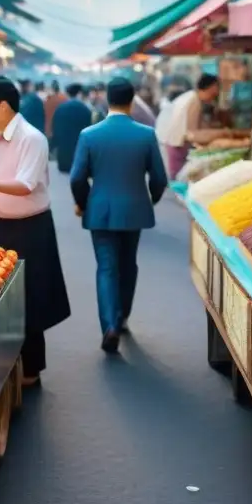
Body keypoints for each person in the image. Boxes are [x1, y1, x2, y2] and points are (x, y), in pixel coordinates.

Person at [0, 77, 71, 387]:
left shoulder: (31, 138)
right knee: (11, 296)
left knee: (32, 296)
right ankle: (18, 360)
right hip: (6, 225)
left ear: (3, 106)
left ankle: (33, 370)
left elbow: (26, 185)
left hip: (32, 226)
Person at [71, 78, 167, 353]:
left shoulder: (89, 135)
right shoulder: (146, 134)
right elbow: (159, 178)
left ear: (106, 99)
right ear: (132, 99)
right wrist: (151, 198)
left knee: (106, 267)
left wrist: (83, 203)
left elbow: (77, 178)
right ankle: (122, 316)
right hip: (134, 210)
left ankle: (110, 325)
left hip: (100, 211)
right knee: (128, 264)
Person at [156, 73, 220, 179]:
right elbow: (192, 133)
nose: (217, 92)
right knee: (180, 179)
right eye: (216, 88)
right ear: (211, 87)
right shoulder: (194, 101)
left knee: (179, 177)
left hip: (174, 142)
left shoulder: (192, 97)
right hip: (176, 144)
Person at [52, 83, 94, 173]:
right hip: (78, 152)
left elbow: (55, 127)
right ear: (79, 93)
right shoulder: (85, 109)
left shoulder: (60, 108)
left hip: (63, 152)